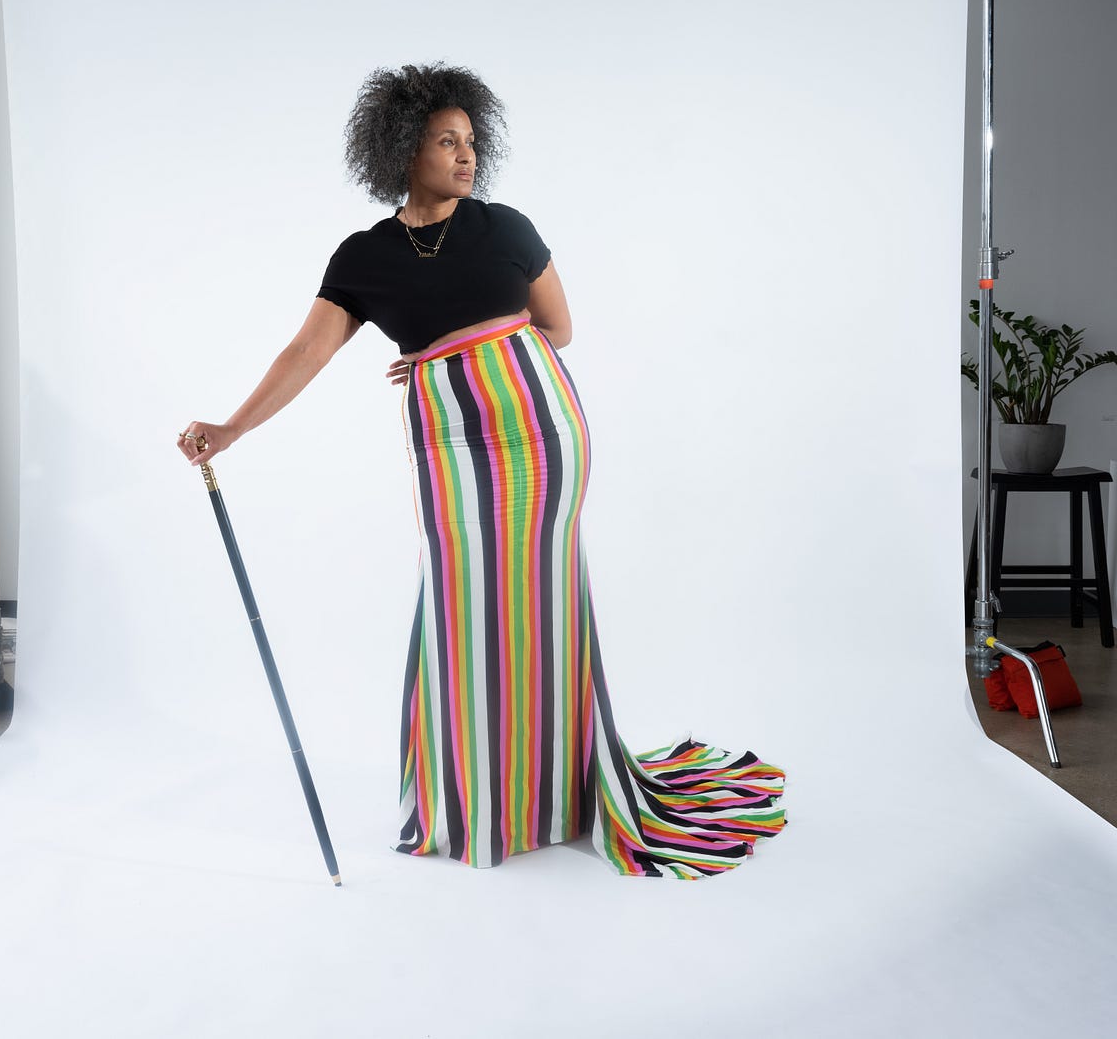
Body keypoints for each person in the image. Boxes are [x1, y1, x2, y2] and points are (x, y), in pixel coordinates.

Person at [179, 63, 785, 877]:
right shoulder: (364, 256)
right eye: (446, 141)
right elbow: (306, 352)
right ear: (403, 149)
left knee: (544, 606)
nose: (466, 157)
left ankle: (559, 795)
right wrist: (232, 429)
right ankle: (478, 799)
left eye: (471, 142)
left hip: (541, 429)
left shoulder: (505, 228)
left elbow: (558, 330)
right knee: (462, 613)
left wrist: (454, 351)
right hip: (448, 444)